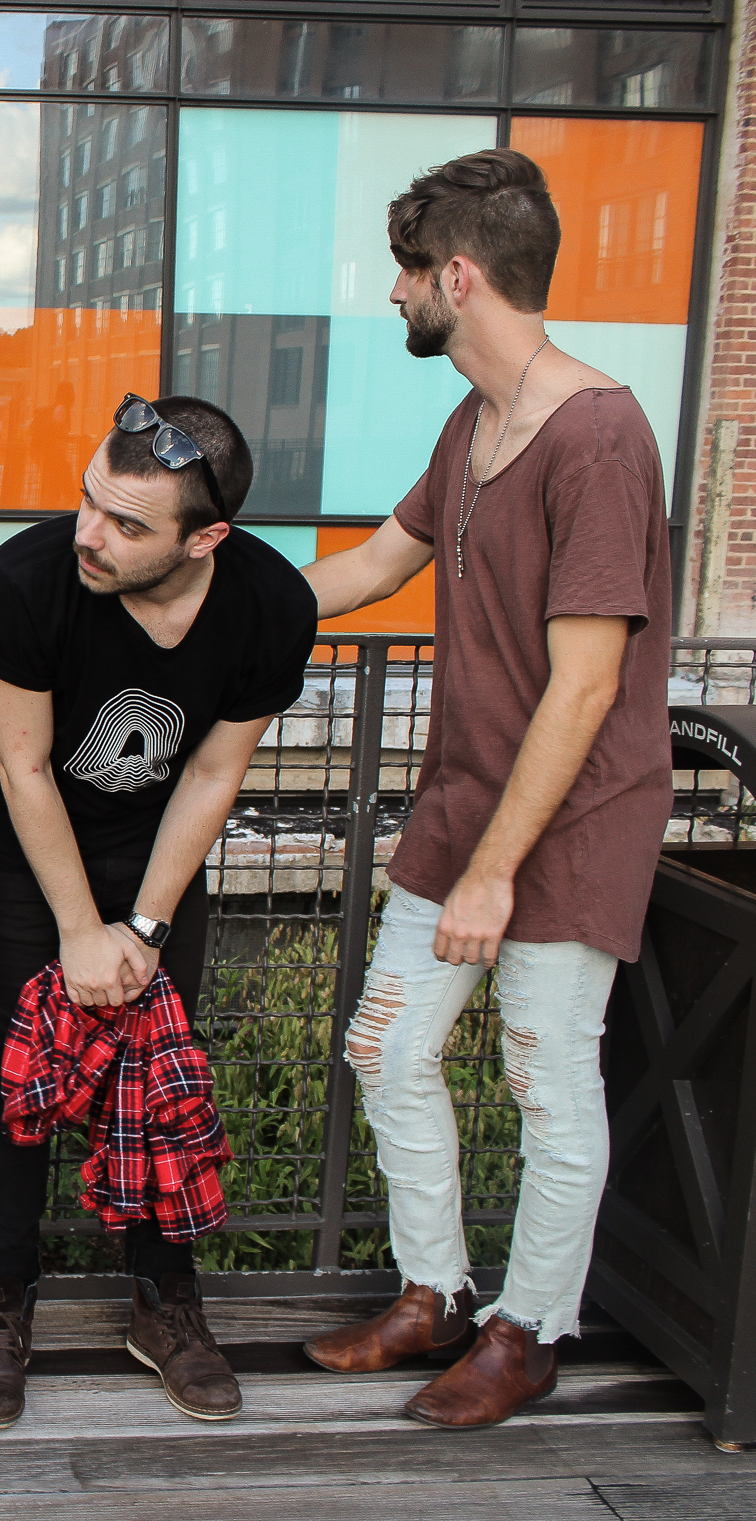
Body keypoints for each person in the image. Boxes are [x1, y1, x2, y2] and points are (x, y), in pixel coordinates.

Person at [299, 148, 671, 1428]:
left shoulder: (598, 437)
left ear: (456, 277)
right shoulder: (471, 423)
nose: (392, 294)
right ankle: (435, 1296)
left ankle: (529, 1331)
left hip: (571, 821)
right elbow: (370, 566)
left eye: (405, 271)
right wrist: (199, 597)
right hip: (462, 803)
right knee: (384, 1047)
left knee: (544, 1081)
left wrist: (495, 874)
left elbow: (584, 686)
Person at [0, 395, 316, 1429]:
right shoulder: (24, 578)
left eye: (125, 524)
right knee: (18, 1078)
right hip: (32, 858)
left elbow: (211, 773)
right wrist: (79, 930)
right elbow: (22, 766)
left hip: (159, 858)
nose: (89, 534)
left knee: (164, 1071)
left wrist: (145, 929)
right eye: (88, 501)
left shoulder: (270, 604)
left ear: (205, 538)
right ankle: (0, 1302)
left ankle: (164, 1303)